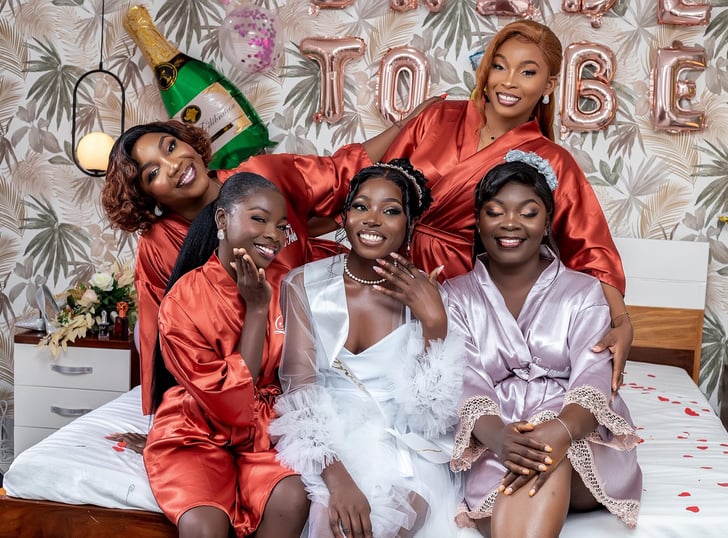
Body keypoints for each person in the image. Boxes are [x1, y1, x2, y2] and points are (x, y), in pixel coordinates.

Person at [101, 112, 431, 417]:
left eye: (171, 147)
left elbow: (341, 171)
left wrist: (409, 123)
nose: (172, 165)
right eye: (153, 172)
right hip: (247, 372)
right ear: (146, 195)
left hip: (322, 333)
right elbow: (160, 336)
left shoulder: (263, 174)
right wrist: (160, 418)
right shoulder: (158, 243)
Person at [380, 20, 632, 392]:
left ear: (549, 85)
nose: (509, 82)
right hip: (394, 271)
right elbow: (380, 185)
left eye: (527, 72)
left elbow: (591, 253)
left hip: (462, 289)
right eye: (499, 66)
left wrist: (622, 321)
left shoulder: (552, 160)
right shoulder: (437, 118)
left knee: (446, 395)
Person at [443, 154, 642, 538]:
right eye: (495, 212)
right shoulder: (454, 296)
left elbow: (593, 374)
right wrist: (500, 438)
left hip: (575, 429)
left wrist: (560, 430)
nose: (510, 223)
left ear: (547, 221)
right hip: (496, 432)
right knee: (509, 488)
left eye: (528, 213)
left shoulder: (583, 291)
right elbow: (463, 376)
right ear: (478, 221)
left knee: (548, 455)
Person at [269, 160, 465, 538]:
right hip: (327, 435)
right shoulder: (303, 284)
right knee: (328, 518)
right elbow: (299, 392)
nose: (372, 219)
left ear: (410, 224)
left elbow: (431, 417)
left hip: (405, 443)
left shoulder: (428, 295)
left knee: (378, 525)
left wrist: (434, 325)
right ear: (344, 216)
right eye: (361, 206)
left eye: (390, 211)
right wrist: (338, 479)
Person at [143, 172, 308, 538]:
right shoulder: (182, 301)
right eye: (259, 219)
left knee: (294, 496)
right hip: (197, 429)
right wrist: (257, 310)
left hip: (267, 429)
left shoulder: (289, 285)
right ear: (222, 219)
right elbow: (229, 399)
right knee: (204, 527)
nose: (273, 235)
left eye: (281, 227)